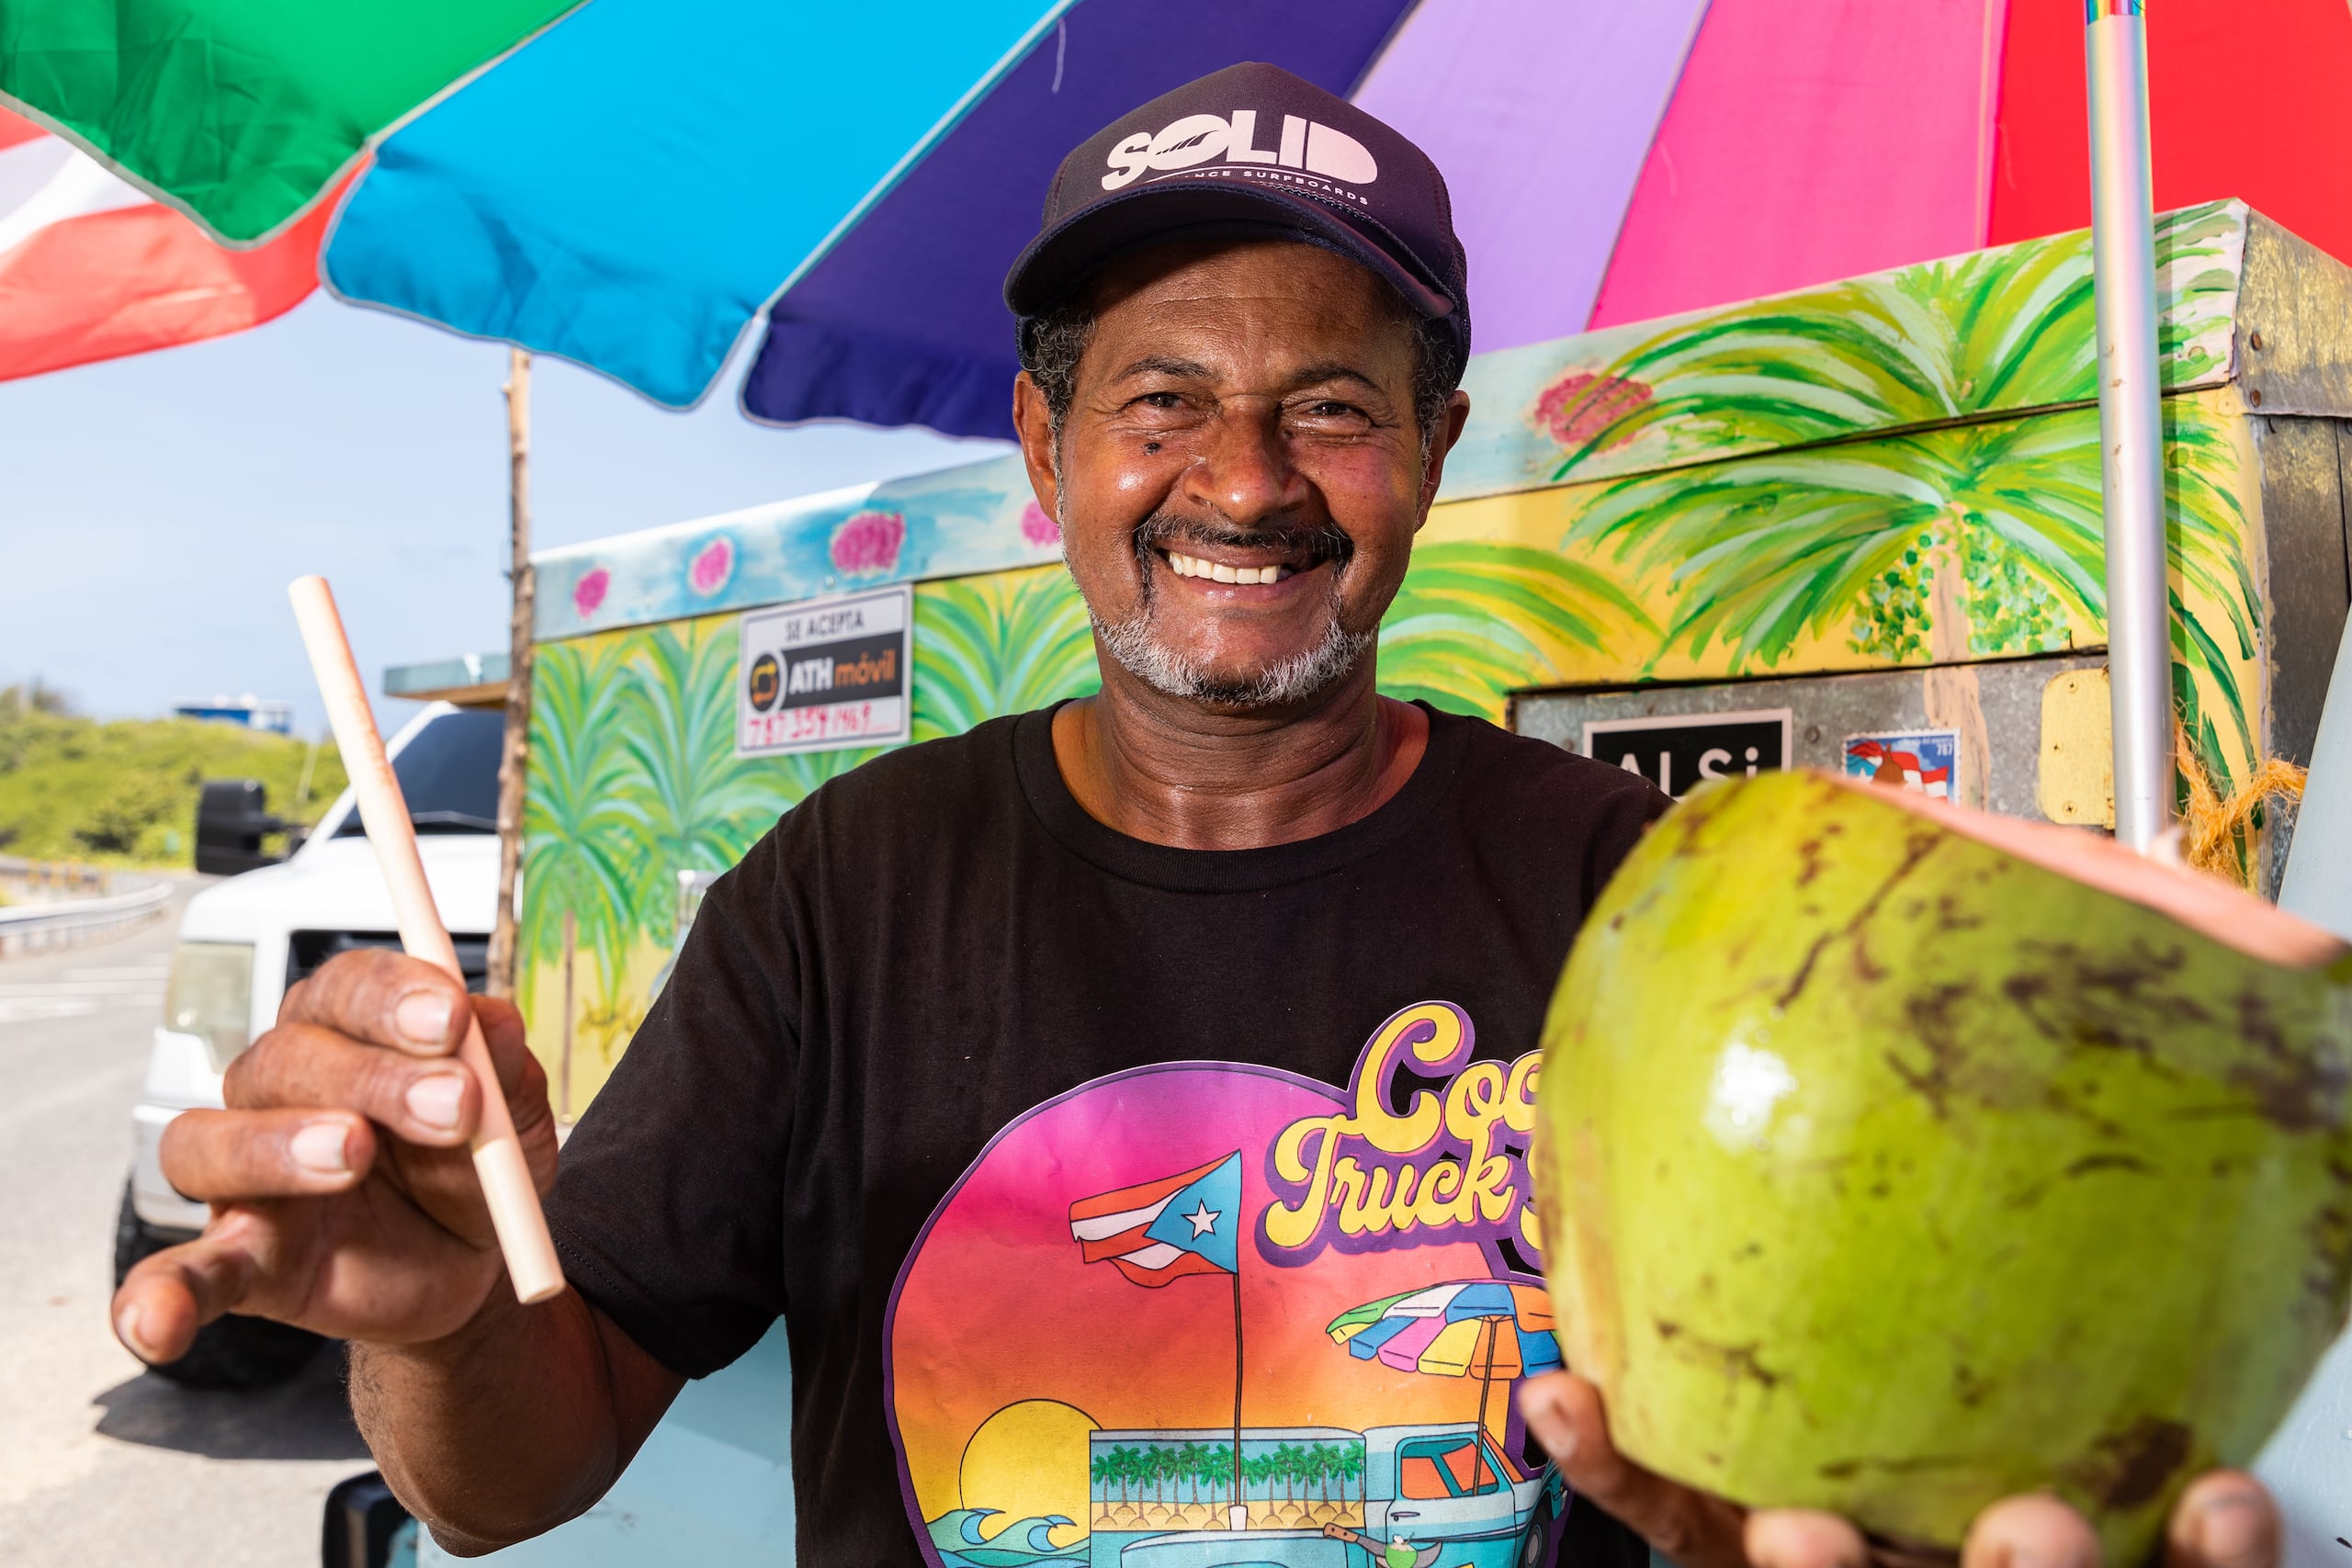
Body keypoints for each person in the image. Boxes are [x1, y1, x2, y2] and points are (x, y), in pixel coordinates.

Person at [112, 63, 2278, 1568]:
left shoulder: (1634, 894)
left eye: (1326, 406)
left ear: (1426, 451)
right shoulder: (840, 893)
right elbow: (514, 1475)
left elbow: (1794, 1444)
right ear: (1049, 452)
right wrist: (432, 1329)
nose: (1242, 482)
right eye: (1162, 400)